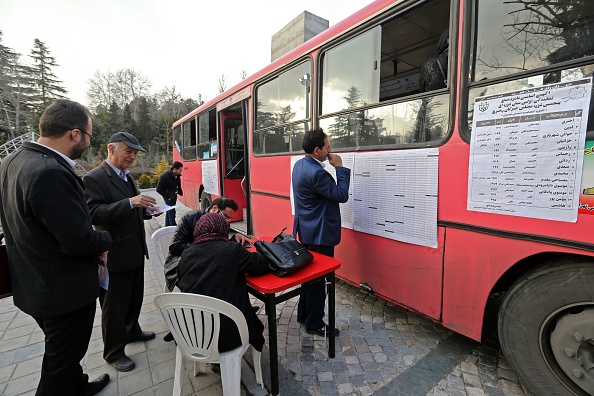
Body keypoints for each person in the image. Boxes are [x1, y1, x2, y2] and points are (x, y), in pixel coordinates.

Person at [0, 99, 112, 395]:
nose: (88, 142)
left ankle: (78, 386)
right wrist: (106, 239)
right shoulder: (50, 172)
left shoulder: (12, 161)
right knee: (58, 367)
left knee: (63, 354)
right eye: (88, 136)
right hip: (63, 292)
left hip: (33, 284)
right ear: (75, 134)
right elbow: (78, 242)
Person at [83, 132, 160, 372]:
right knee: (114, 306)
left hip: (134, 250)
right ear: (111, 148)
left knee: (134, 297)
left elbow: (129, 208)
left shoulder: (126, 177)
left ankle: (132, 330)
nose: (133, 156)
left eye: (136, 153)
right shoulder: (94, 178)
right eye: (129, 151)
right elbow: (93, 213)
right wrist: (131, 203)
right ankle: (113, 352)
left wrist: (146, 211)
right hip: (114, 254)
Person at [177, 213, 270, 352]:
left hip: (194, 332)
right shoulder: (232, 250)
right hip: (228, 334)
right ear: (223, 230)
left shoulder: (186, 254)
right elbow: (260, 266)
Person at [292, 128, 350, 337]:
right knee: (319, 280)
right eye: (327, 147)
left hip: (307, 229)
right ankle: (314, 322)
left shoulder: (300, 165)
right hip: (320, 233)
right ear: (317, 150)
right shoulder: (318, 172)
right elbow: (341, 195)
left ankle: (303, 314)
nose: (330, 150)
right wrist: (340, 168)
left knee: (308, 276)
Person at [156, 161, 183, 226]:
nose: (181, 172)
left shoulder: (177, 175)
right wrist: (167, 196)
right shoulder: (165, 176)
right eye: (180, 170)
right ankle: (173, 229)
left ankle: (167, 226)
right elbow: (158, 189)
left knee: (169, 212)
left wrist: (178, 191)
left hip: (174, 196)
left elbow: (178, 185)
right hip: (168, 197)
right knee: (172, 213)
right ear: (175, 169)